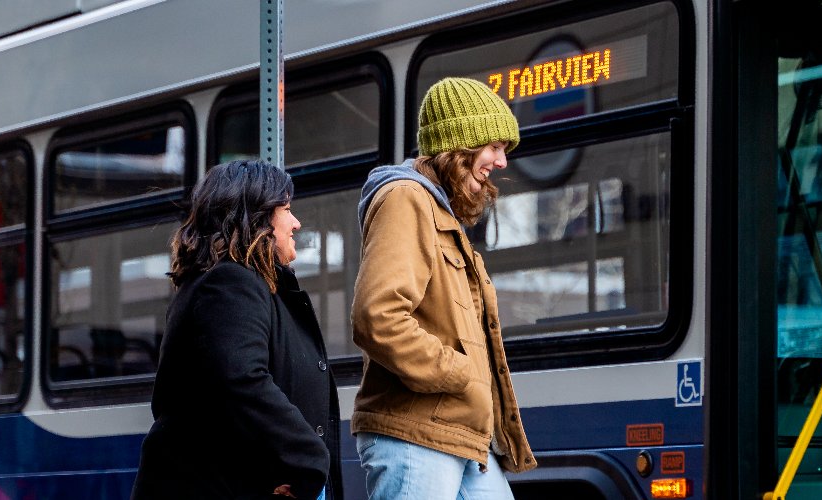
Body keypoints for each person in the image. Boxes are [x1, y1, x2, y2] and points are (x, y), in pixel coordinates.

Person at [350, 77, 537, 499]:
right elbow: (377, 317)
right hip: (416, 437)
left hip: (463, 438)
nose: (502, 161)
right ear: (460, 145)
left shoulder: (441, 213)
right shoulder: (405, 199)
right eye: (494, 146)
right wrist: (458, 371)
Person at [133, 159, 339, 500]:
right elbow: (241, 378)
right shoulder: (230, 283)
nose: (296, 223)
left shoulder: (243, 285)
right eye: (286, 209)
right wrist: (310, 459)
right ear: (255, 218)